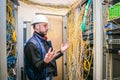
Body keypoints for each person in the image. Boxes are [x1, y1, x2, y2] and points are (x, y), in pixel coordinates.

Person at [24, 15, 70, 80]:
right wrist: (45, 61)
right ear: (37, 27)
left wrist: (61, 52)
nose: (47, 28)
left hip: (47, 76)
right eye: (45, 25)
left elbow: (50, 58)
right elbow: (37, 67)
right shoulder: (31, 44)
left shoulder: (43, 41)